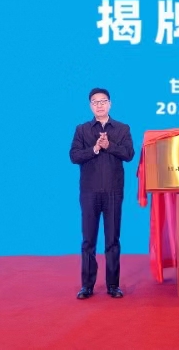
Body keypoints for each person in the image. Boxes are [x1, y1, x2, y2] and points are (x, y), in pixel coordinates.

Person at [69, 88, 135, 299]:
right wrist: (95, 149)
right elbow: (74, 156)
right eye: (95, 102)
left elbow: (129, 154)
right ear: (90, 106)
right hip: (89, 192)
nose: (99, 105)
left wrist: (109, 145)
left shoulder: (122, 128)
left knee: (112, 240)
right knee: (88, 240)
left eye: (103, 101)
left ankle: (113, 285)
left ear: (110, 104)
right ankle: (87, 286)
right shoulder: (82, 130)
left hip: (113, 192)